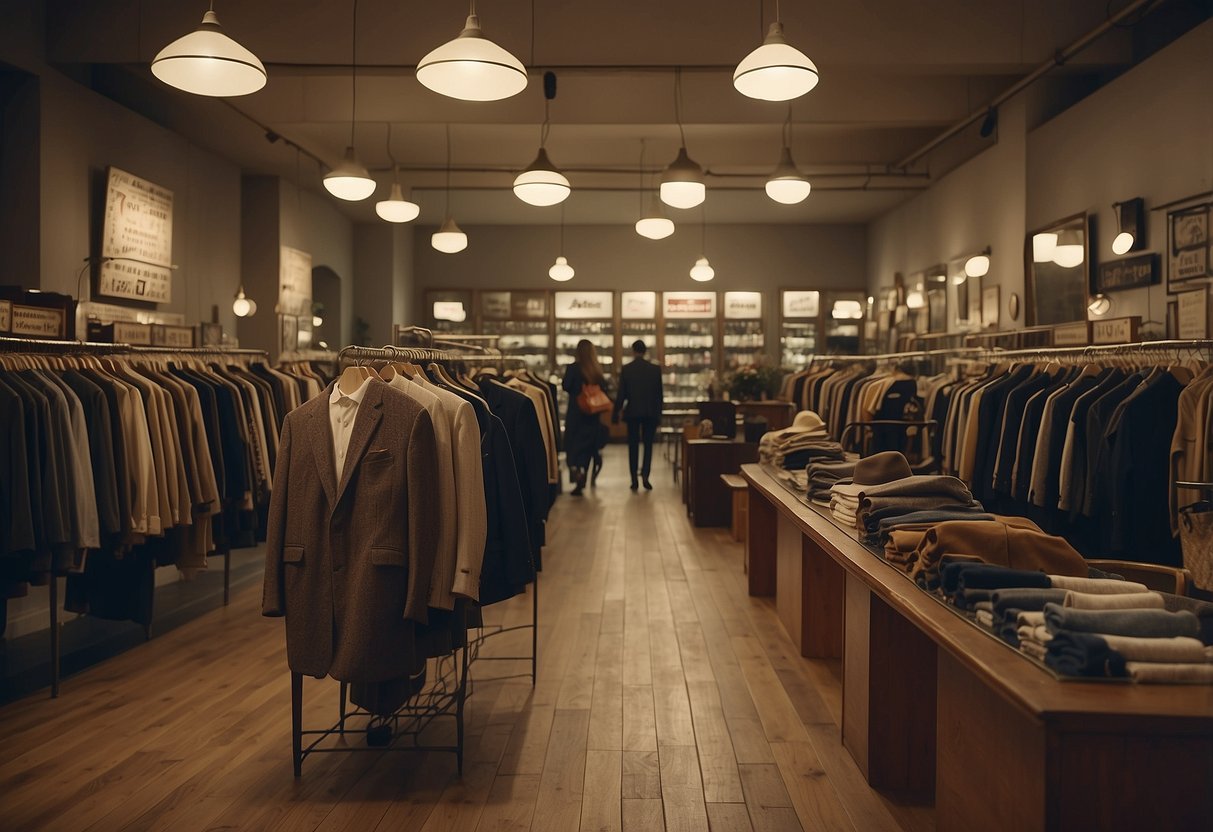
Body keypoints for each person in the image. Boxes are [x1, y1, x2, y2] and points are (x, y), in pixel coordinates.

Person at [613, 339, 664, 491]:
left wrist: (616, 411)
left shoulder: (627, 369)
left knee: (633, 446)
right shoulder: (655, 369)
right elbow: (659, 395)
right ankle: (646, 476)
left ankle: (633, 478)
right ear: (645, 351)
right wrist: (659, 414)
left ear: (633, 351)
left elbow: (621, 394)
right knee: (648, 445)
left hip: (633, 412)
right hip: (650, 413)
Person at [561, 339, 609, 496]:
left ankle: (576, 475)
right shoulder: (596, 369)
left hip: (576, 414)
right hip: (592, 416)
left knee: (572, 446)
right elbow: (605, 387)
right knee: (587, 448)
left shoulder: (573, 368)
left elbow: (565, 386)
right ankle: (584, 474)